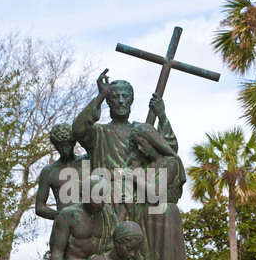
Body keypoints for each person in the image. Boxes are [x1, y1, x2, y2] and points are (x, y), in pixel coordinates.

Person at [72, 69, 178, 215]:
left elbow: (170, 151)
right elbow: (78, 129)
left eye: (125, 96)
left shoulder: (142, 131)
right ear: (108, 101)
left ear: (131, 100)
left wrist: (162, 116)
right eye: (115, 97)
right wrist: (101, 95)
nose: (121, 101)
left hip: (138, 197)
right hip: (106, 199)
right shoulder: (98, 133)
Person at [127, 123, 191, 260]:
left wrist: (134, 177)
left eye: (142, 143)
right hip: (144, 218)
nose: (141, 149)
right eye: (136, 146)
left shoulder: (170, 162)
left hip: (164, 217)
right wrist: (133, 162)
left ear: (152, 140)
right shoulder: (144, 167)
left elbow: (156, 193)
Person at [35, 123, 87, 221]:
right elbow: (40, 207)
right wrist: (61, 217)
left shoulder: (86, 161)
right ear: (55, 146)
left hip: (90, 222)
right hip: (65, 226)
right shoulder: (48, 172)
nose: (64, 149)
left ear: (73, 142)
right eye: (59, 146)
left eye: (67, 144)